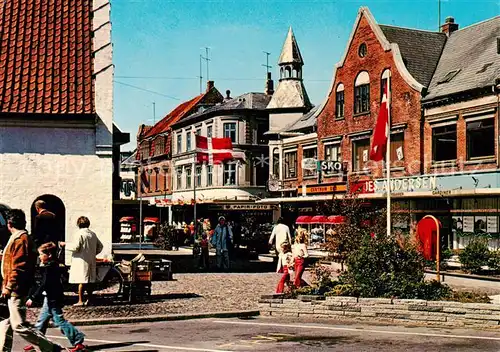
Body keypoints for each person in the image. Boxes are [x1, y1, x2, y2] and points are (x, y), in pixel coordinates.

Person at [0, 209, 61, 352]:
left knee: (18, 325)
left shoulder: (20, 240)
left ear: (9, 224)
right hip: (12, 286)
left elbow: (18, 267)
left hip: (16, 289)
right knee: (4, 321)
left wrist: (9, 286)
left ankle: (49, 347)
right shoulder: (19, 238)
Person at [25, 242, 86, 352]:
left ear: (49, 255)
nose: (39, 257)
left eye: (41, 254)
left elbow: (44, 284)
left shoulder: (50, 268)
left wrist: (33, 297)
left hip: (53, 298)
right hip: (49, 298)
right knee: (41, 321)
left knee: (59, 321)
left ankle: (77, 340)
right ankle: (36, 342)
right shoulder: (52, 265)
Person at [60, 216, 103, 306]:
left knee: (81, 280)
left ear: (78, 224)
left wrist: (65, 245)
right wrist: (92, 253)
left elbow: (76, 247)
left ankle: (80, 300)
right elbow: (100, 246)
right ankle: (89, 299)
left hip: (81, 260)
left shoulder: (79, 234)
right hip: (90, 260)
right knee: (90, 281)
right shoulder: (92, 234)